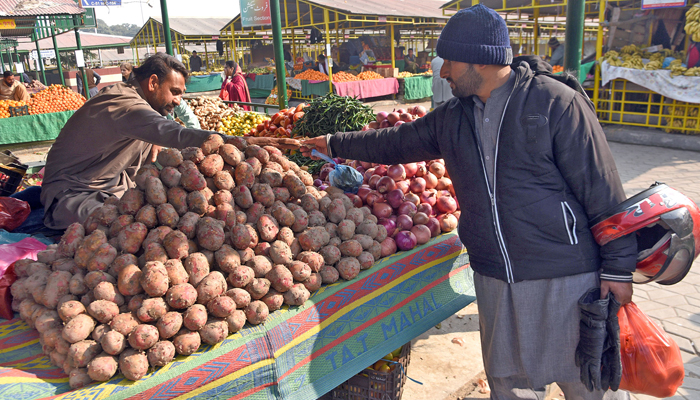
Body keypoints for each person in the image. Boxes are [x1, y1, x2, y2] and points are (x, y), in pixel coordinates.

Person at [301, 5, 636, 399]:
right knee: (510, 383)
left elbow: (605, 192)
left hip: (563, 274)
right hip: (495, 276)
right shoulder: (452, 117)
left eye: (450, 62)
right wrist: (335, 142)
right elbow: (396, 141)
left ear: (481, 58)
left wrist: (618, 270)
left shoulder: (555, 104)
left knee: (585, 382)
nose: (442, 72)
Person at [40, 52, 215, 230]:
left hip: (110, 189)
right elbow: (176, 134)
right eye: (174, 92)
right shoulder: (125, 102)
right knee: (127, 227)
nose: (178, 101)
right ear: (153, 83)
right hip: (73, 195)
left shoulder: (142, 105)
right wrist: (229, 140)